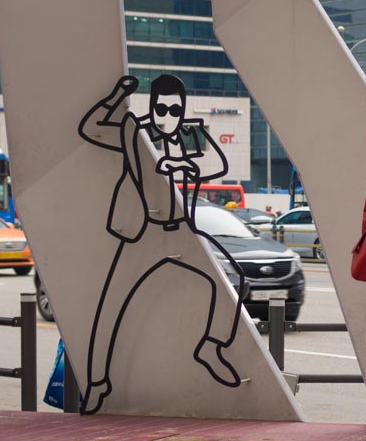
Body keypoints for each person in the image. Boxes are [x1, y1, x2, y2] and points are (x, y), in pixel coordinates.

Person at [77, 73, 246, 415]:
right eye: (160, 108)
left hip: (181, 230)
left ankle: (211, 346)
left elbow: (220, 166)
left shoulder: (189, 132)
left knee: (231, 278)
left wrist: (188, 164)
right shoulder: (133, 132)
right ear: (151, 106)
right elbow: (90, 127)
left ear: (182, 109)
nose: (166, 115)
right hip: (143, 230)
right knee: (111, 306)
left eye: (173, 109)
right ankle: (97, 384)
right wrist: (116, 94)